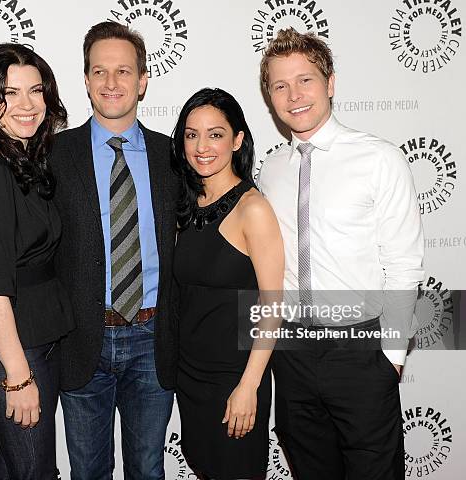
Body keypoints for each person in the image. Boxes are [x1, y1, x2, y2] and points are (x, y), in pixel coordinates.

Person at [0, 22, 180, 479]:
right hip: (79, 341)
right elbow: (2, 238)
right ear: (86, 80)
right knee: (84, 471)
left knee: (147, 469)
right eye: (100, 71)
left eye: (124, 71)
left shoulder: (173, 156)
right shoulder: (50, 154)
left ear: (143, 80)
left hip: (153, 340)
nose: (112, 83)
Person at [257, 28, 424, 480]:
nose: (294, 95)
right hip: (292, 353)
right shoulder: (270, 171)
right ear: (270, 96)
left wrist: (390, 357)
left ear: (330, 83)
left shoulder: (379, 159)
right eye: (280, 85)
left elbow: (404, 265)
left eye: (305, 80)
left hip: (361, 351)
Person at [0, 43, 75, 479]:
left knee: (13, 467)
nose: (27, 105)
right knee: (36, 473)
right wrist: (19, 378)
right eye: (10, 93)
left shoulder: (22, 158)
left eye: (36, 91)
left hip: (39, 335)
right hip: (14, 351)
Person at [171, 88, 284, 480]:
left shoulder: (252, 209)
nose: (202, 146)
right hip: (191, 377)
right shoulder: (187, 204)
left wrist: (249, 385)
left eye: (215, 134)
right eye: (191, 134)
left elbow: (273, 306)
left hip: (235, 378)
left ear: (237, 140)